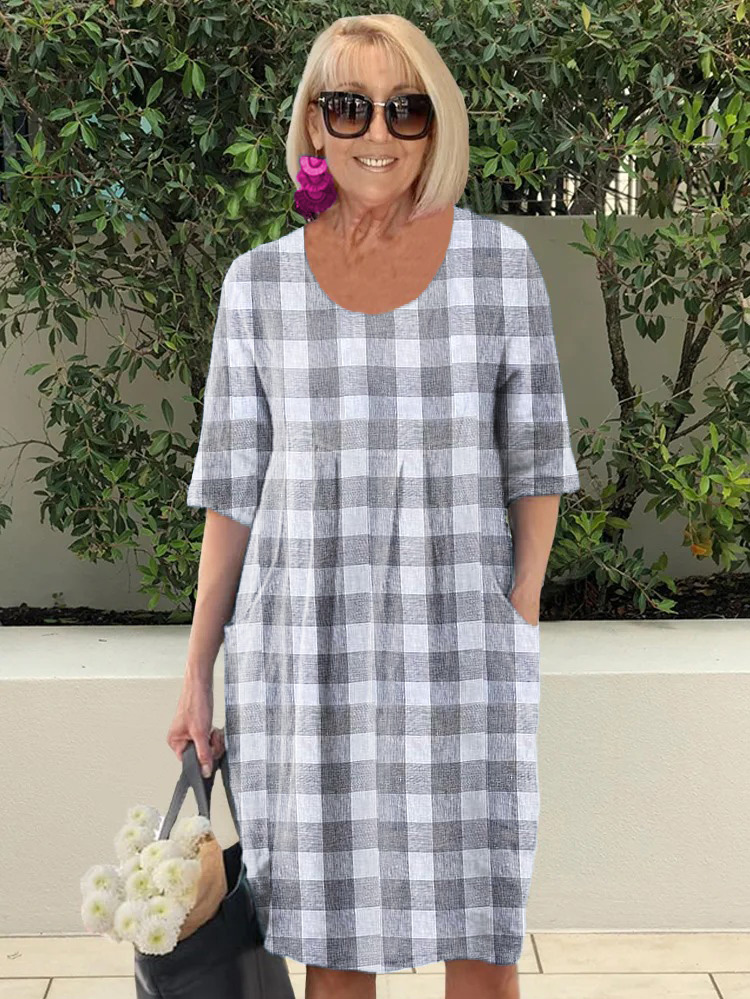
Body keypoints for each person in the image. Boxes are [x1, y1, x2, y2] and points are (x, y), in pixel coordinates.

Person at [168, 12, 580, 999]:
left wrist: (519, 604)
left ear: (437, 125)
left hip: (465, 644)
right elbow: (231, 490)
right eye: (350, 106)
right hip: (305, 651)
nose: (379, 132)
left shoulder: (500, 267)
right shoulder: (258, 285)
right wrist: (196, 671)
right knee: (333, 941)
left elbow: (536, 458)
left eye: (407, 108)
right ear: (315, 123)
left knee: (482, 929)